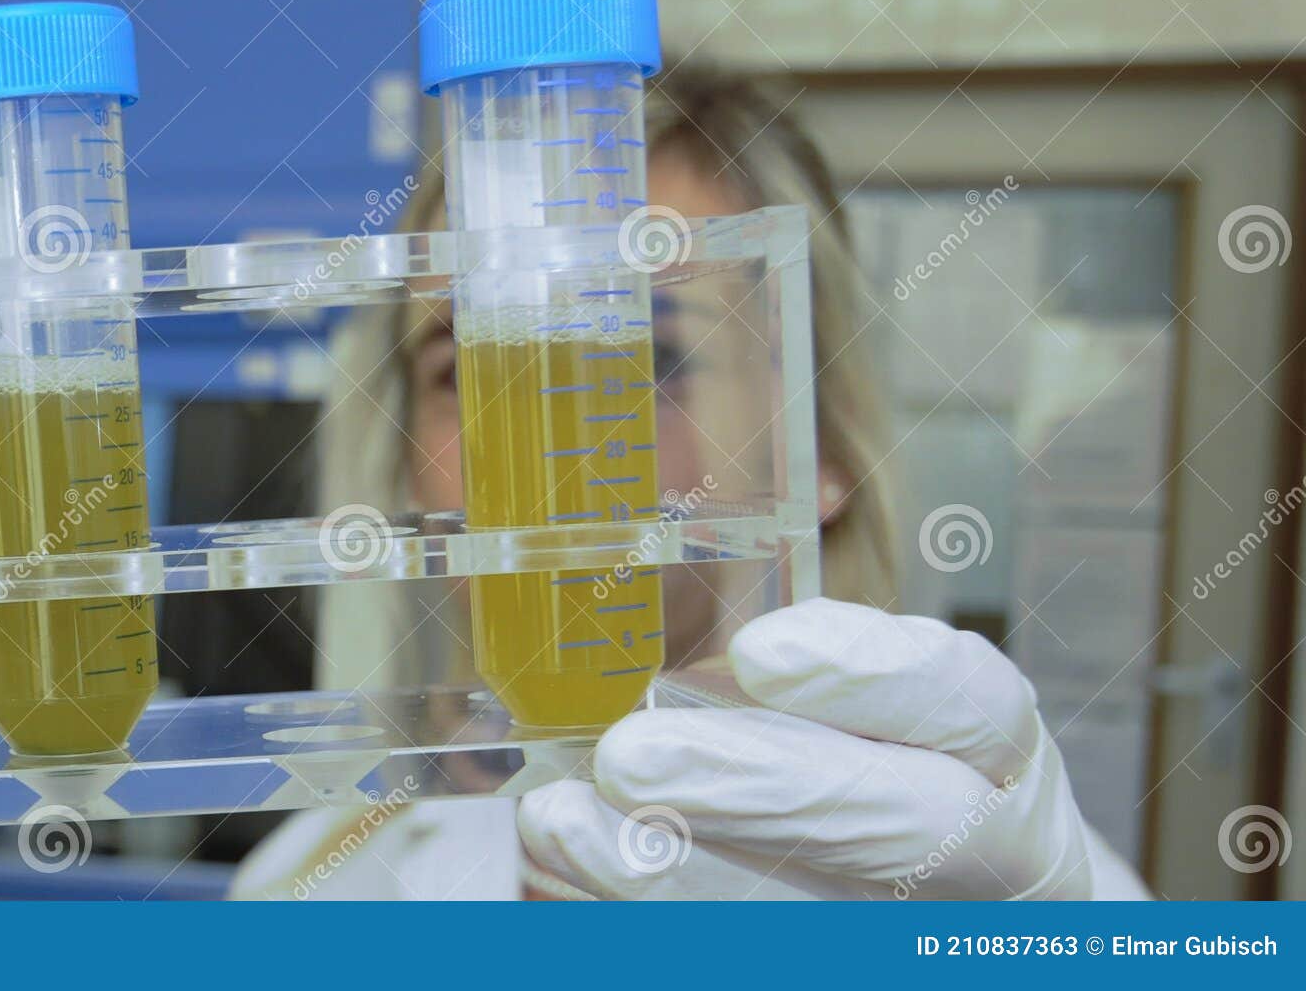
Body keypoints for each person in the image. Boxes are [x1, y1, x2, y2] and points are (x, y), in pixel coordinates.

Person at [229, 65, 1148, 899]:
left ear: (817, 450)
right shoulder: (307, 889)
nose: (551, 455)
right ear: (403, 462)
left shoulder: (1010, 886)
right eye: (465, 370)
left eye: (647, 355)